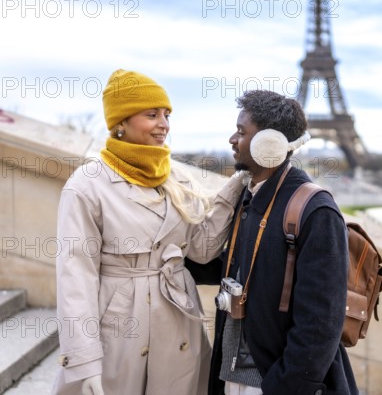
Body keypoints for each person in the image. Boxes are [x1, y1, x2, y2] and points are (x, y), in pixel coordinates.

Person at [52, 69, 245, 395]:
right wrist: (84, 363)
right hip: (118, 327)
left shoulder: (177, 178)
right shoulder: (87, 185)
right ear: (121, 123)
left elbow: (200, 249)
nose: (164, 124)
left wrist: (238, 182)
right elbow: (75, 278)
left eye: (167, 114)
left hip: (177, 319)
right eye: (152, 114)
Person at [204, 90, 358, 395]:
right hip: (232, 377)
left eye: (241, 131)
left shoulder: (316, 210)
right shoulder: (249, 196)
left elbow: (321, 323)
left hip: (271, 383)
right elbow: (244, 265)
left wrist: (280, 387)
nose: (232, 140)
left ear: (268, 143)